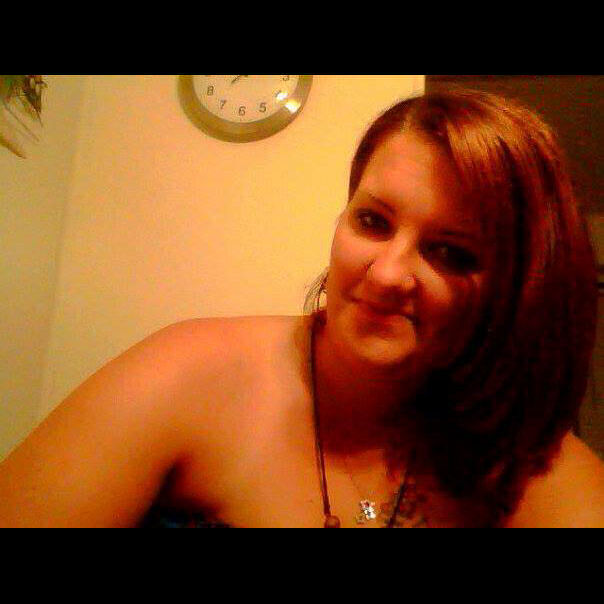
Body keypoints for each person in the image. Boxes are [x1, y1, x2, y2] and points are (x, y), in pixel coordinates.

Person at [1, 88, 603, 528]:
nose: (387, 274)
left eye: (449, 252)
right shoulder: (186, 372)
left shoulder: (530, 462)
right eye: (373, 222)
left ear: (513, 286)